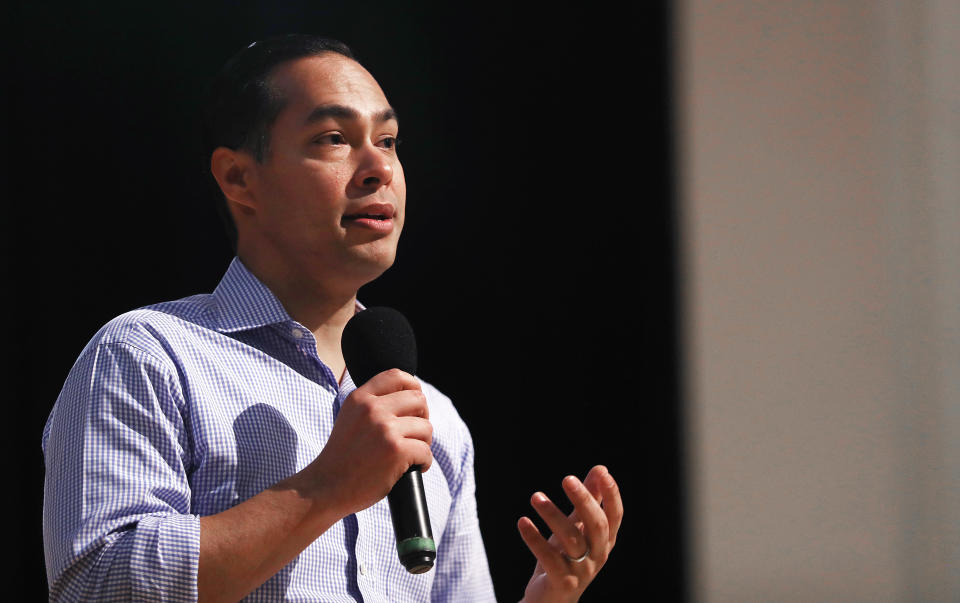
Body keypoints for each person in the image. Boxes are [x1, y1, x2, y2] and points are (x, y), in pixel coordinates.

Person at [41, 34, 623, 602]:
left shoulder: (434, 419)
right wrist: (326, 486)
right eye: (334, 138)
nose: (379, 168)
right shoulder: (151, 355)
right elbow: (98, 586)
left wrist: (550, 598)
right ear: (238, 177)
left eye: (390, 141)